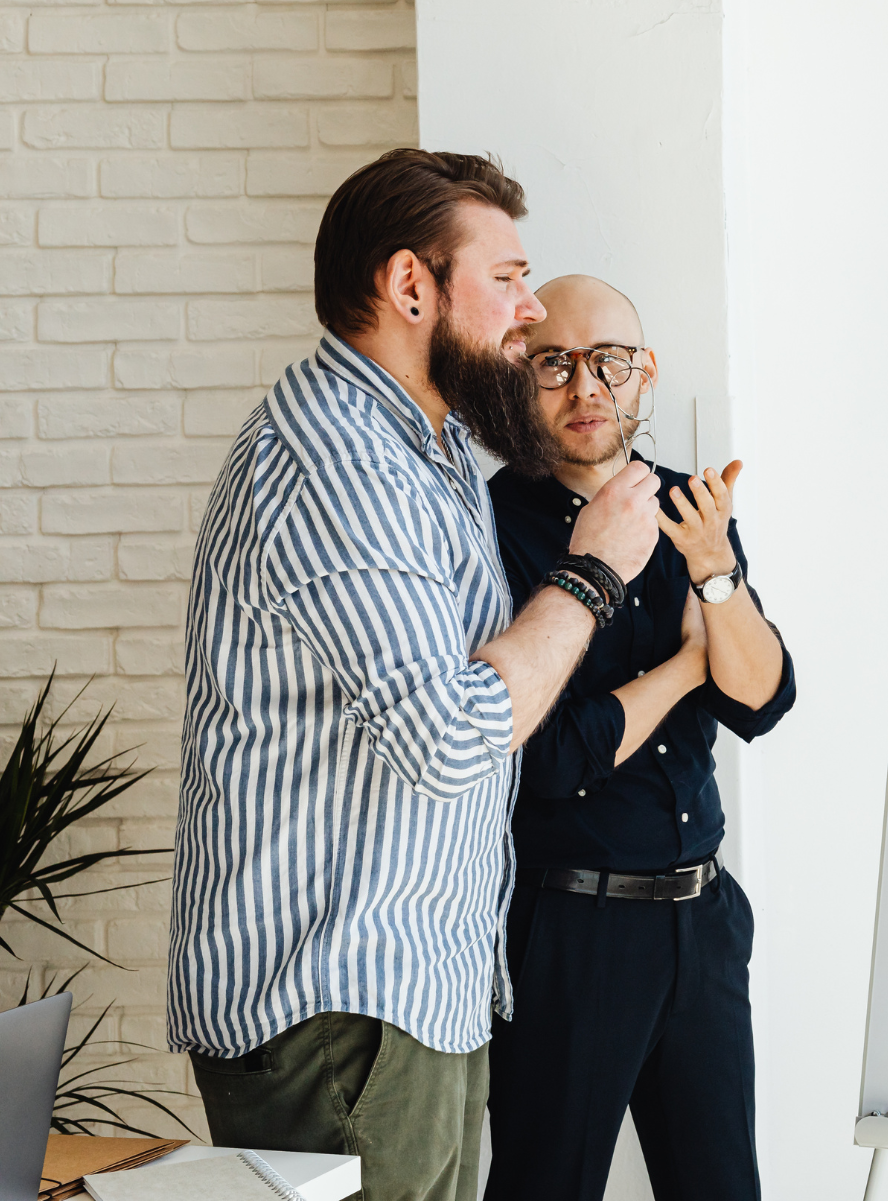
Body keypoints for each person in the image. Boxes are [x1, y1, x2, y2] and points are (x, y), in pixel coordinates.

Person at [169, 151, 664, 1201]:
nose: (528, 313)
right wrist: (591, 575)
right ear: (409, 286)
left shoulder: (425, 451)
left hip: (406, 994)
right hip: (340, 1009)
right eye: (506, 279)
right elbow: (446, 738)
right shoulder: (338, 466)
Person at [482, 275, 795, 1201]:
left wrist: (716, 573)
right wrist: (690, 665)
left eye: (609, 361)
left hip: (700, 917)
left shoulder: (691, 512)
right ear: (520, 375)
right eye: (555, 363)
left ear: (644, 373)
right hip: (568, 925)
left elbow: (764, 698)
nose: (586, 387)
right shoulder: (491, 528)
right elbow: (553, 759)